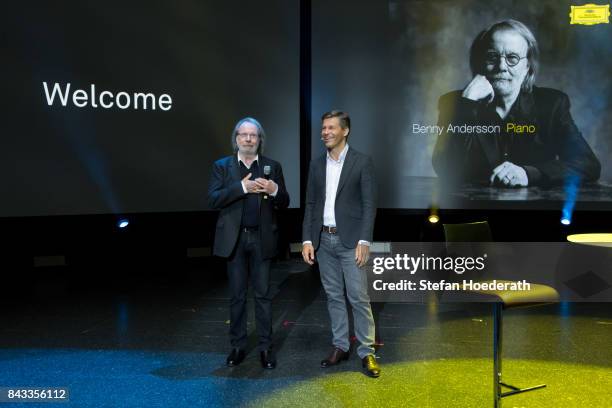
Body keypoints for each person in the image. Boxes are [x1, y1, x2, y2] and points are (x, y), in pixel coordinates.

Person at [432, 19, 600, 188]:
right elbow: (444, 168)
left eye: (512, 57)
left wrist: (529, 173)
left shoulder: (552, 104)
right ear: (480, 62)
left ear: (527, 66)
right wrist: (467, 104)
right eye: (492, 56)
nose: (501, 66)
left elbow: (587, 163)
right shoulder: (454, 103)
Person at [302, 110, 380, 377]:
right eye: (323, 128)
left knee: (358, 298)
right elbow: (310, 204)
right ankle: (340, 345)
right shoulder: (316, 164)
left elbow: (370, 204)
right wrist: (307, 239)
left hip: (350, 241)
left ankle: (367, 352)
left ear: (345, 131)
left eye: (331, 128)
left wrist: (364, 240)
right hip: (323, 240)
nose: (325, 132)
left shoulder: (362, 162)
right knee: (334, 296)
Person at [208, 117, 289, 369]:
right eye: (244, 135)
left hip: (261, 237)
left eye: (253, 135)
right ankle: (238, 346)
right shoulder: (222, 167)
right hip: (235, 239)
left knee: (263, 296)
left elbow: (284, 201)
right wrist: (241, 187)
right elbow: (213, 200)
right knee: (237, 296)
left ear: (259, 140)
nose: (248, 139)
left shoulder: (271, 166)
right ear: (236, 139)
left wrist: (275, 190)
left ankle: (266, 348)